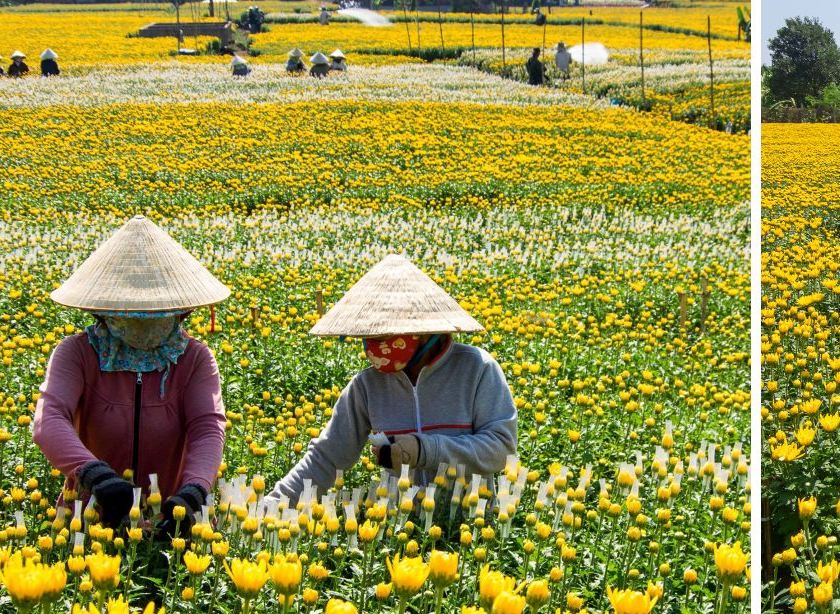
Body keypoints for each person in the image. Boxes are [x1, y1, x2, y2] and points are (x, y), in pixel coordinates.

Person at [265, 254, 518, 519]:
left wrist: (425, 450)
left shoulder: (476, 369)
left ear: (421, 331)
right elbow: (326, 458)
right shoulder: (367, 386)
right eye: (369, 337)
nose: (375, 347)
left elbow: (500, 449)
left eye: (385, 336)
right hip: (399, 525)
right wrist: (270, 509)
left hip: (469, 523)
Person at [33, 216, 231, 539]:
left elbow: (207, 428)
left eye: (156, 311)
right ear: (103, 309)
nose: (144, 322)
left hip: (170, 519)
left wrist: (193, 491)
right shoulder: (78, 354)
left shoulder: (194, 359)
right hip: (88, 520)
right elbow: (49, 420)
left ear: (180, 309)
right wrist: (93, 475)